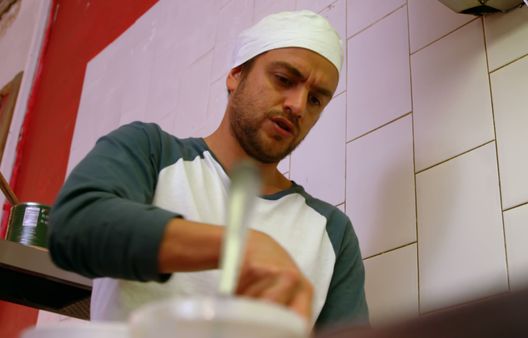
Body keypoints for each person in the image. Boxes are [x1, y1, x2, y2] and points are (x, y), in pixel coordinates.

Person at [48, 10, 368, 331]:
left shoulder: (331, 232)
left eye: (315, 100)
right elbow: (74, 226)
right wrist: (238, 246)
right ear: (236, 75)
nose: (297, 106)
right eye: (284, 80)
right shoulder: (152, 152)